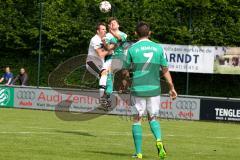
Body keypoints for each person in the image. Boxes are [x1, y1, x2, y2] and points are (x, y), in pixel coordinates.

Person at [126, 22, 177, 159]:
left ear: (136, 33)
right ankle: (159, 140)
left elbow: (125, 70)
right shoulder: (158, 48)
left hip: (138, 88)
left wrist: (125, 81)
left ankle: (139, 153)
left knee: (137, 119)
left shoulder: (131, 49)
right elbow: (165, 69)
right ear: (150, 33)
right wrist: (171, 87)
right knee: (153, 117)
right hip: (154, 88)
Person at [86, 22, 112, 106]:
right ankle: (102, 100)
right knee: (103, 74)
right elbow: (101, 54)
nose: (105, 31)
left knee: (107, 79)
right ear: (98, 31)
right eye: (103, 29)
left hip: (101, 64)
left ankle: (105, 100)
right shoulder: (95, 39)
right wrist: (109, 51)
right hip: (91, 63)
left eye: (105, 29)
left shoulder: (105, 39)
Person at [101, 17, 127, 99]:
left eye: (114, 23)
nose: (112, 24)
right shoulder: (107, 35)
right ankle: (108, 93)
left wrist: (111, 31)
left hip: (121, 56)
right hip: (112, 57)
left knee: (126, 74)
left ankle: (123, 90)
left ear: (118, 25)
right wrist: (105, 43)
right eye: (111, 23)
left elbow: (120, 39)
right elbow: (108, 48)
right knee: (109, 73)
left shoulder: (123, 34)